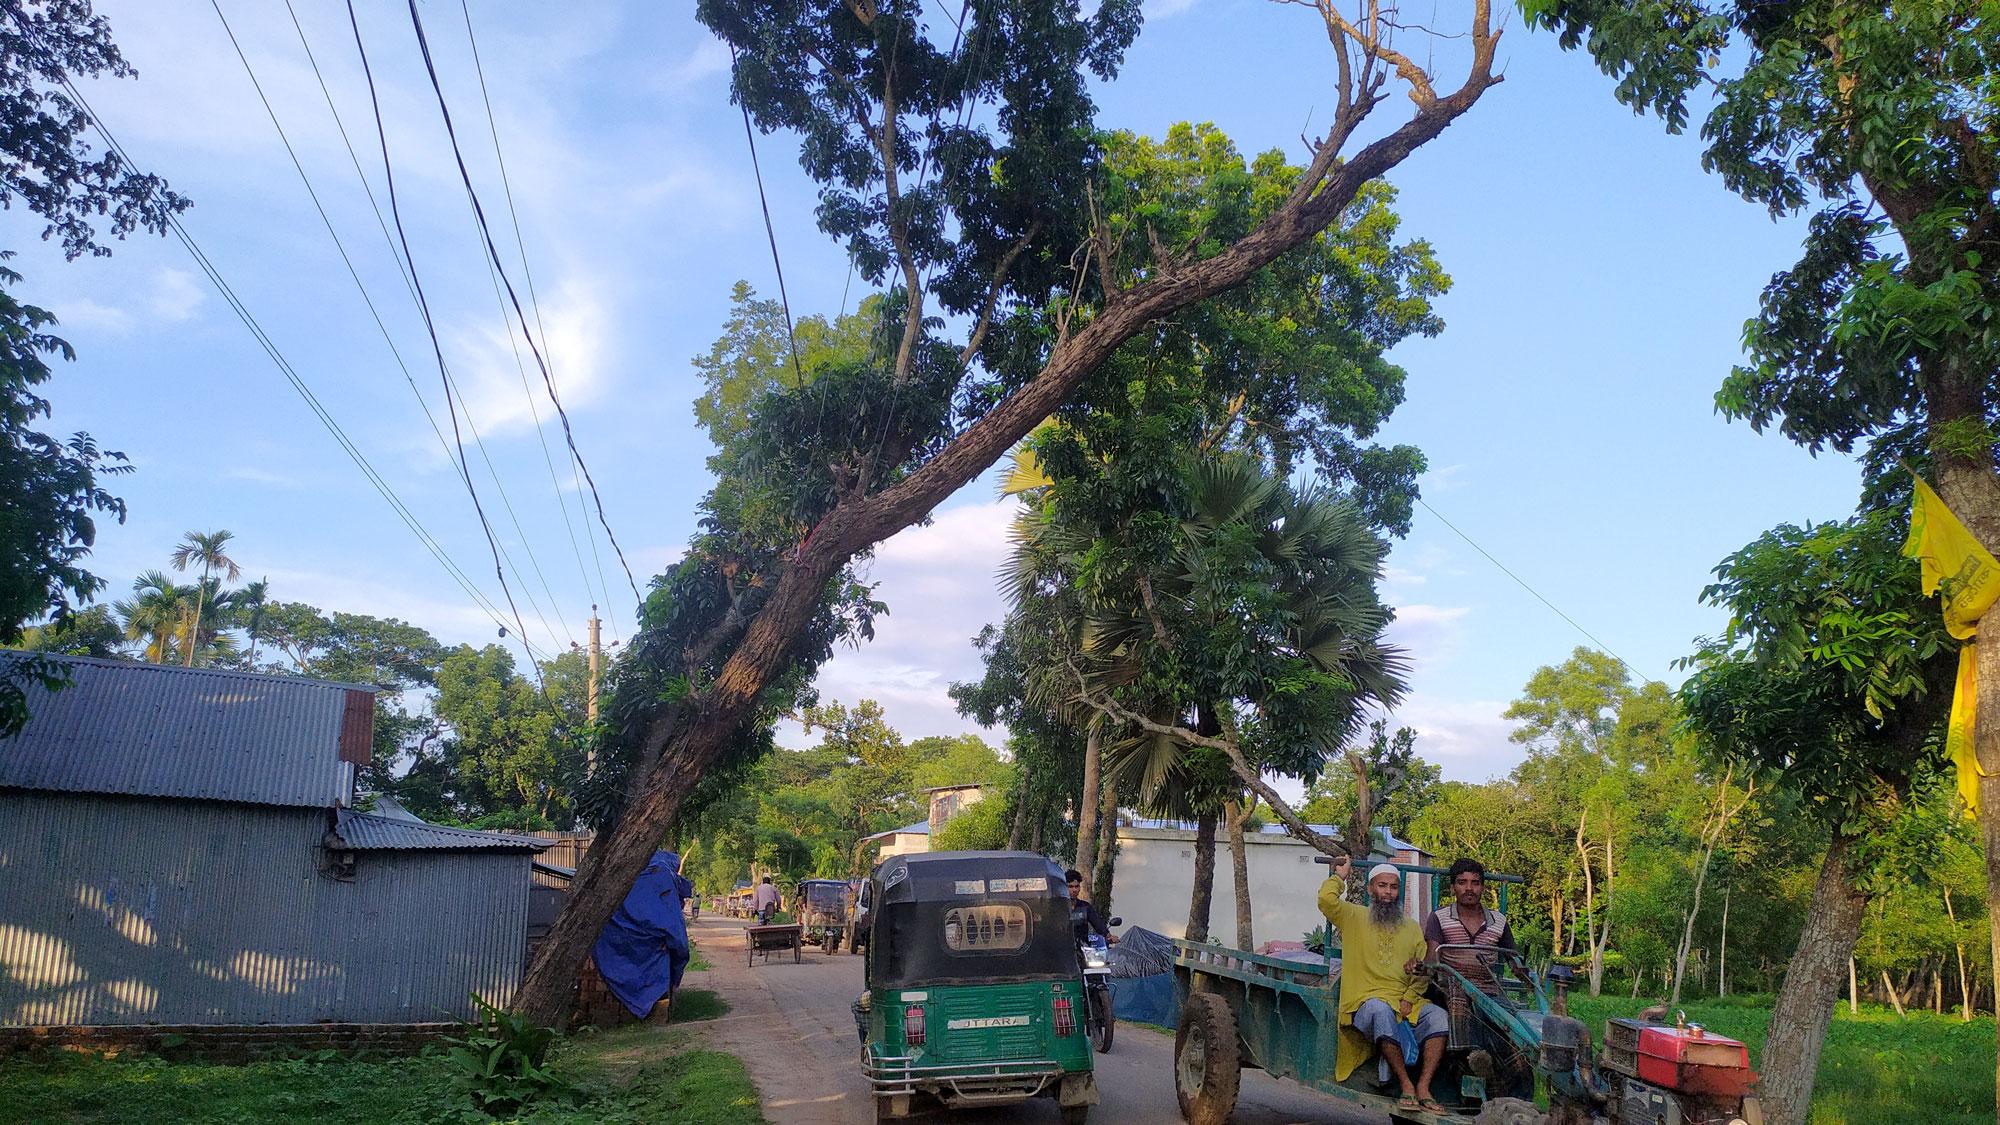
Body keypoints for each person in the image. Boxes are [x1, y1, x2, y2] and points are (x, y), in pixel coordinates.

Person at [1318, 855, 1449, 1115]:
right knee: (1380, 1010)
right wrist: (1339, 877)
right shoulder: (1353, 916)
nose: (1387, 892)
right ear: (1370, 889)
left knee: (1439, 1017)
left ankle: (1423, 1087)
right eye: (1382, 886)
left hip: (1405, 1003)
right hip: (1364, 1002)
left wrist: (1410, 997)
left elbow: (1423, 970)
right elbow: (1326, 900)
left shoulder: (1411, 928)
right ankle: (1405, 1085)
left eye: (1393, 887)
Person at [1424, 857, 1517, 995]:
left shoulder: (1499, 920)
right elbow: (1432, 959)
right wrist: (1423, 968)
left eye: (1475, 883)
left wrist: (1527, 975)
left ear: (1482, 888)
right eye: (1462, 882)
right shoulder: (1439, 916)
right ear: (1452, 888)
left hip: (1488, 996)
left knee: (1510, 1016)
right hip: (1449, 993)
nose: (1469, 888)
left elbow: (1514, 960)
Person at [1065, 869, 1119, 945]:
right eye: (1070, 887)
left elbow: (1097, 923)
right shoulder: (1057, 907)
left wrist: (1108, 936)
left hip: (1082, 950)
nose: (1074, 890)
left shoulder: (1085, 907)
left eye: (1076, 886)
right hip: (1062, 950)